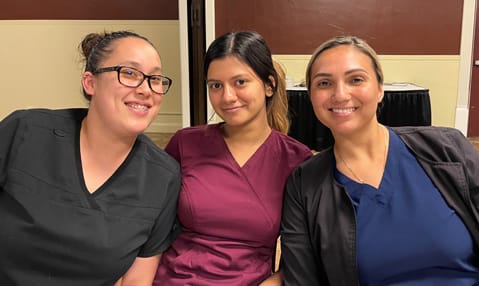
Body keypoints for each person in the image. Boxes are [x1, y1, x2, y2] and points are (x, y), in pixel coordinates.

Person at [280, 35, 479, 285]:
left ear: (380, 89)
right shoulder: (304, 184)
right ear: (311, 96)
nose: (340, 94)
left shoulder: (447, 149)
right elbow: (301, 279)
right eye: (324, 83)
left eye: (356, 79)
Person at [0, 31, 181, 286]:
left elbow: (136, 281)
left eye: (155, 78)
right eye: (129, 73)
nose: (146, 89)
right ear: (90, 82)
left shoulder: (163, 177)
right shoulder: (24, 132)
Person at [153, 31, 312, 285]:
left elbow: (299, 258)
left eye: (240, 82)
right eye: (215, 85)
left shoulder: (296, 160)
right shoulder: (185, 144)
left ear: (269, 85)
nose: (227, 97)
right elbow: (151, 228)